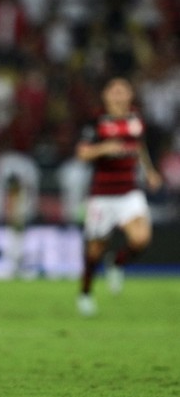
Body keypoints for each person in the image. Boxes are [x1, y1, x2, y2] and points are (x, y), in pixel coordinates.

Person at [75, 77, 163, 316]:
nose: (118, 95)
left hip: (129, 191)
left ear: (130, 95)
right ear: (105, 95)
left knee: (141, 239)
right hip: (102, 195)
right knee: (94, 250)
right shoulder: (96, 121)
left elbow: (139, 146)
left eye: (123, 91)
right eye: (114, 91)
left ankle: (117, 262)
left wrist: (149, 172)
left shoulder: (136, 119)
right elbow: (82, 153)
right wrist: (104, 148)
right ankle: (85, 293)